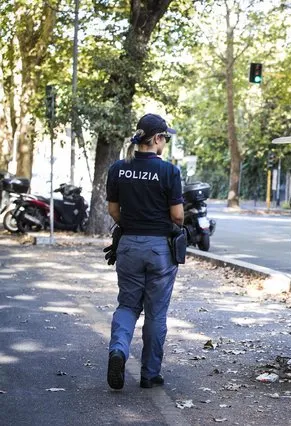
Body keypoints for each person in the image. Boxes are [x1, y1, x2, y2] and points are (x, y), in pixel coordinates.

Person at [105, 113, 184, 390]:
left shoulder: (118, 168)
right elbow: (177, 216)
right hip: (159, 249)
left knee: (127, 305)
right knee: (155, 314)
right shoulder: (169, 172)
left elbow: (113, 211)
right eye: (166, 138)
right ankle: (149, 374)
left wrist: (133, 226)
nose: (166, 142)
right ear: (158, 139)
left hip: (128, 246)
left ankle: (118, 350)